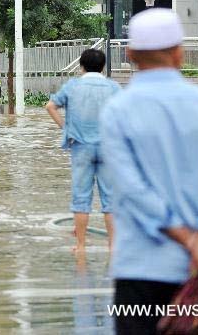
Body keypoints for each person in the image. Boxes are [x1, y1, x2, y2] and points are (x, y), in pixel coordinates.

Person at [100, 9, 198, 335]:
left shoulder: (116, 114)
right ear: (180, 52)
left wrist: (185, 238)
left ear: (130, 53)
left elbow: (131, 188)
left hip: (141, 268)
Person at [45, 49, 121, 255]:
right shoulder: (113, 87)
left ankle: (80, 246)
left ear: (81, 66)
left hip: (80, 147)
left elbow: (50, 106)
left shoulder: (73, 86)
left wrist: (66, 128)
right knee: (110, 199)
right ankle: (113, 247)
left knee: (81, 198)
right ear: (103, 67)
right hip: (108, 148)